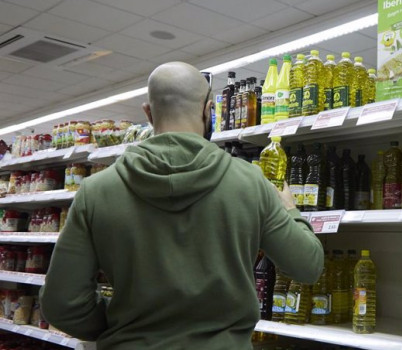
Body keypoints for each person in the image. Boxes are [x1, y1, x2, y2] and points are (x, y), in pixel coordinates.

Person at [40, 62, 324, 350]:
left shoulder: (97, 191)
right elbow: (308, 266)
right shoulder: (250, 182)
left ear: (148, 113)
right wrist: (290, 209)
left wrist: (124, 324)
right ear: (209, 110)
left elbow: (61, 304)